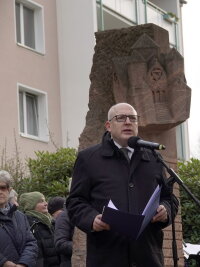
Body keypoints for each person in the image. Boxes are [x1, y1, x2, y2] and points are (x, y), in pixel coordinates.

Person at [66, 102, 178, 267]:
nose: (128, 122)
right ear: (108, 126)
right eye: (121, 118)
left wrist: (165, 210)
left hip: (147, 257)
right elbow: (75, 202)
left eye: (132, 118)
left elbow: (169, 198)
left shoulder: (153, 158)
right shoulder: (89, 159)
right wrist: (91, 219)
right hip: (107, 256)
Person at [0, 170, 38, 267]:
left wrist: (23, 263)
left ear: (9, 190)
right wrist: (4, 263)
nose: (0, 192)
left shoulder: (20, 216)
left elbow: (31, 242)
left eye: (3, 188)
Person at [19, 192, 61, 267]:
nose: (46, 203)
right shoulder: (29, 224)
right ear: (31, 205)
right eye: (41, 201)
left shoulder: (49, 221)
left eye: (45, 200)